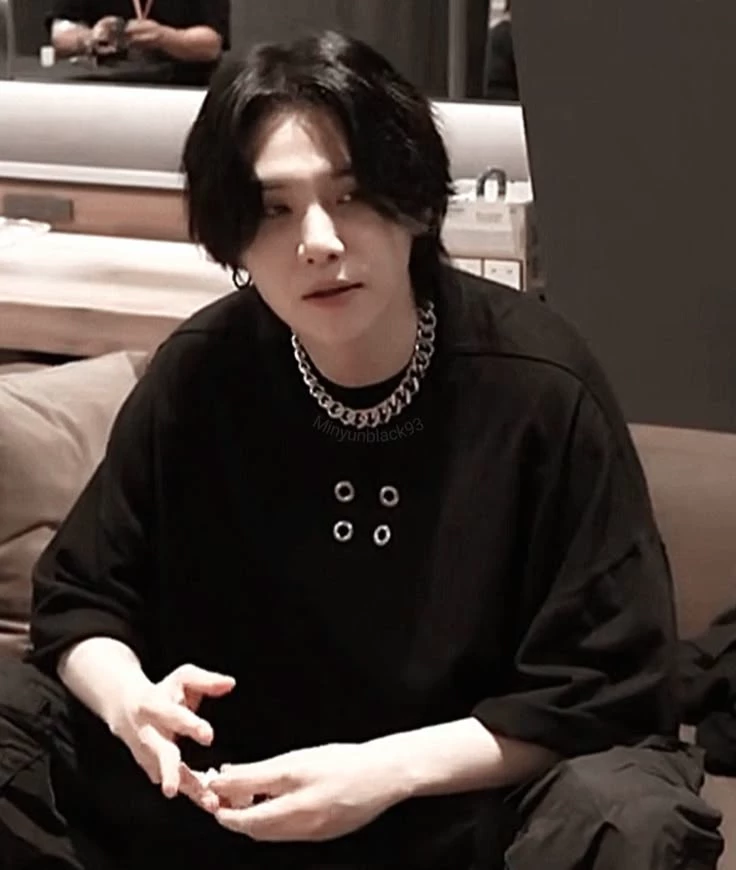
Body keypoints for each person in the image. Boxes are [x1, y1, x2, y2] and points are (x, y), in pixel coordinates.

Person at [0, 29, 725, 870]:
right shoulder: (202, 375)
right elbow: (82, 597)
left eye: (349, 196)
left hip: (458, 811)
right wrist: (132, 703)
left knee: (627, 817)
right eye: (274, 209)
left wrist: (381, 773)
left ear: (415, 203)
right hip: (232, 798)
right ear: (234, 239)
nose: (318, 240)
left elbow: (607, 687)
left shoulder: (538, 386)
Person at [46, 0, 230, 86]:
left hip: (181, 88)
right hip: (103, 88)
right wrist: (89, 38)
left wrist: (164, 37)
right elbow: (61, 35)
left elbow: (211, 45)